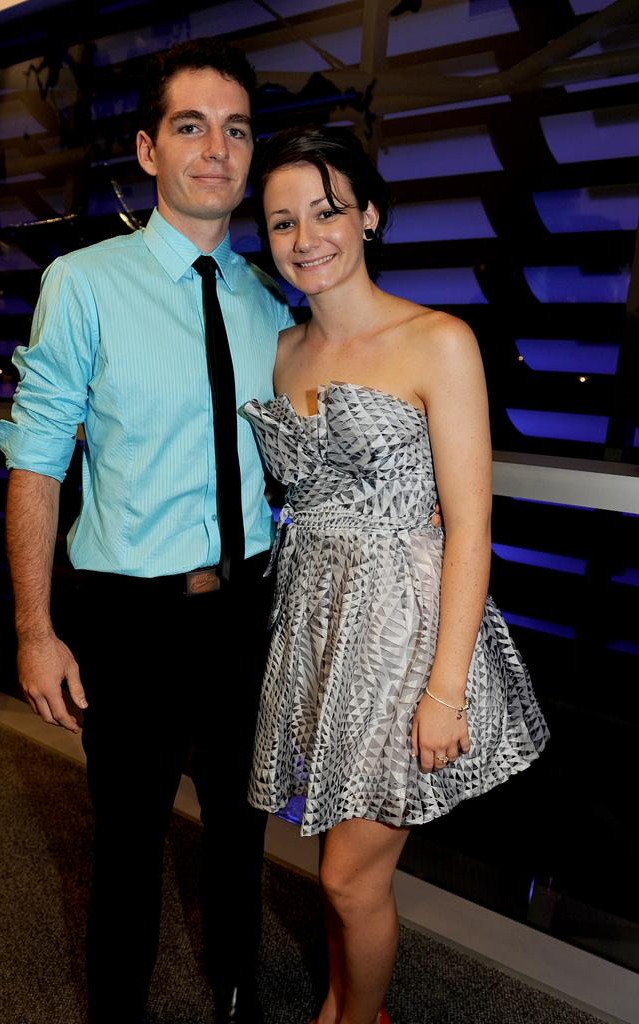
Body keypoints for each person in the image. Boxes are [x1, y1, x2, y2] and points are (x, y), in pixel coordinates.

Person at [0, 39, 292, 1024]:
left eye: (236, 128)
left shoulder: (267, 304)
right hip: (129, 623)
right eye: (191, 126)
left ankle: (241, 1005)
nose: (217, 147)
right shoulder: (83, 283)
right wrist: (36, 629)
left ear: (250, 154)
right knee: (126, 852)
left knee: (243, 843)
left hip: (248, 613)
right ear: (148, 150)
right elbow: (37, 460)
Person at [242, 125, 550, 1024]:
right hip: (317, 622)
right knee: (341, 865)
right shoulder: (286, 352)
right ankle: (347, 1002)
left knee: (346, 876)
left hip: (407, 632)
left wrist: (445, 691)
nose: (307, 238)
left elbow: (471, 524)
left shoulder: (438, 341)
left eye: (328, 211)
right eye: (284, 222)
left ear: (370, 215)